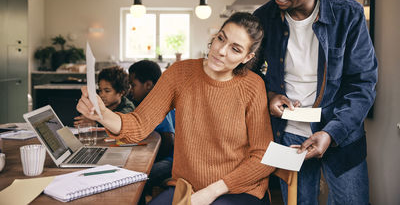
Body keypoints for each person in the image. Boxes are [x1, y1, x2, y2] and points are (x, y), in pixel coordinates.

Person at [77, 12, 275, 205]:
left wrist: (212, 191)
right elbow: (138, 125)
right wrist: (102, 114)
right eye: (221, 39)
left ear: (247, 58)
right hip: (186, 187)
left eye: (235, 49)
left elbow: (263, 156)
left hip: (236, 189)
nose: (221, 50)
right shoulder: (180, 74)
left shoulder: (253, 86)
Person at [253, 0, 378, 204]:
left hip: (339, 133)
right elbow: (250, 77)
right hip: (287, 135)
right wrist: (270, 95)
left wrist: (331, 133)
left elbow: (362, 84)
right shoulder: (264, 18)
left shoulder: (348, 14)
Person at [128, 60, 175, 201]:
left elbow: (169, 139)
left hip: (171, 163)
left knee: (135, 179)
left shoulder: (158, 104)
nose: (130, 89)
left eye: (133, 85)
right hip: (166, 159)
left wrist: (149, 162)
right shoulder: (149, 102)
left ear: (148, 85)